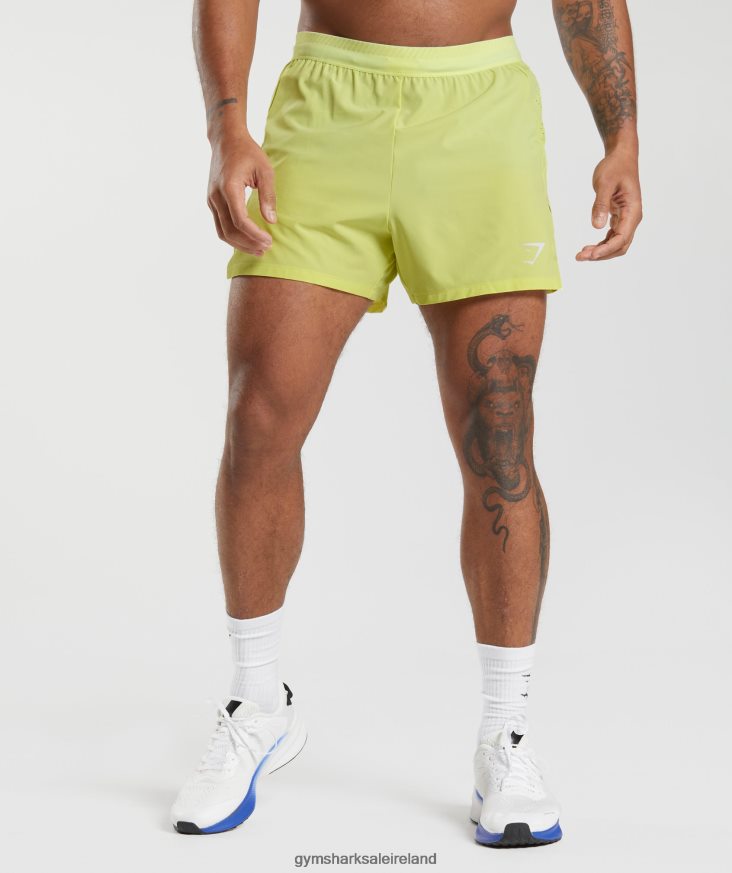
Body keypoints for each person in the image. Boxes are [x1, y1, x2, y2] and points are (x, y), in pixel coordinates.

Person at [171, 0, 642, 846]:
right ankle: (257, 699)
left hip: (480, 117)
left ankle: (506, 735)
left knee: (500, 438)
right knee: (260, 414)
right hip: (327, 110)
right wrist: (227, 126)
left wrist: (622, 136)